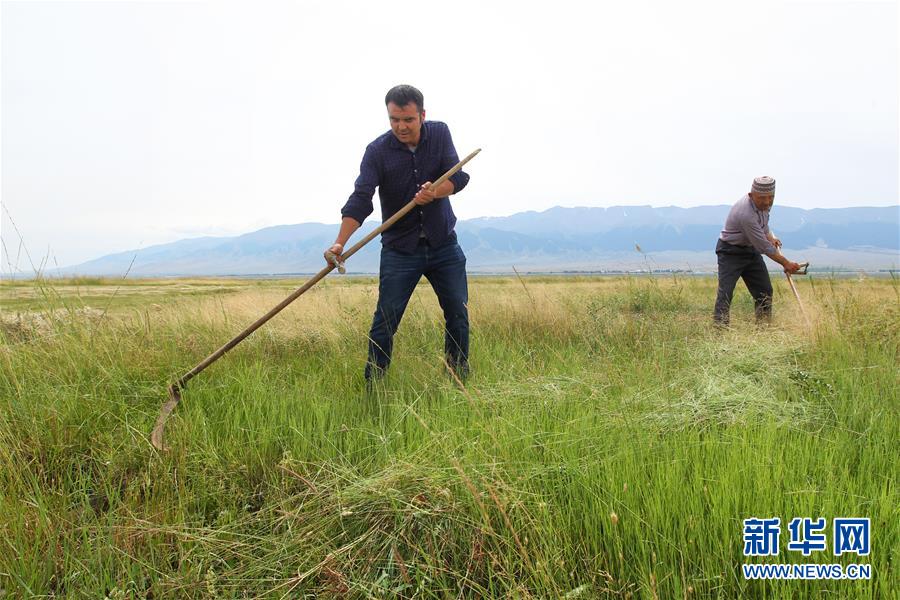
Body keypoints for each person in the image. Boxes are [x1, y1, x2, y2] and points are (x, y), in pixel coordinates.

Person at [325, 84, 472, 383]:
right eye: (394, 119)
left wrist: (436, 192)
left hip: (444, 243)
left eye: (408, 119)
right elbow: (361, 198)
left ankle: (458, 378)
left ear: (422, 115)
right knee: (385, 321)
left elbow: (458, 177)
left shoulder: (440, 133)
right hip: (400, 249)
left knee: (458, 313)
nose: (401, 127)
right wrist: (340, 242)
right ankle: (374, 386)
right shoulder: (377, 151)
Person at [713, 176, 801, 325]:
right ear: (751, 195)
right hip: (730, 252)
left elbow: (764, 224)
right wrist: (786, 263)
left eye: (770, 198)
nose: (767, 202)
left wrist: (769, 237)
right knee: (726, 293)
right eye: (762, 198)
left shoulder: (765, 205)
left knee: (764, 290)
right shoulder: (745, 213)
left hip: (750, 250)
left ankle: (764, 328)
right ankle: (719, 332)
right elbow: (763, 247)